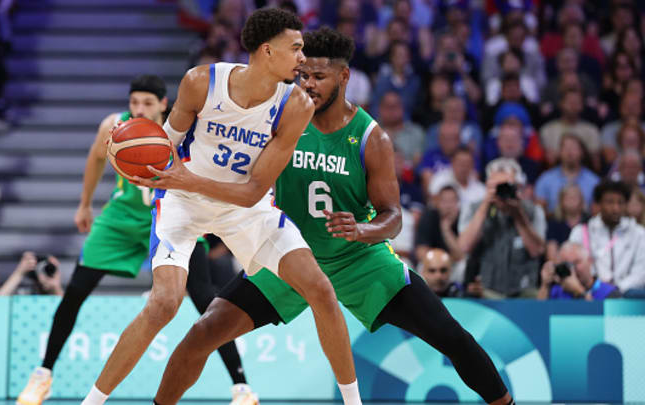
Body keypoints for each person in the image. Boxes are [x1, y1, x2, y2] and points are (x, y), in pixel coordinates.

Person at [147, 26, 513, 405]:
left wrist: (363, 229)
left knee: (451, 335)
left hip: (358, 260)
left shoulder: (371, 138)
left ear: (344, 76)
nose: (308, 85)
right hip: (289, 256)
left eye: (319, 77)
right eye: (304, 75)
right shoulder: (283, 118)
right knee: (201, 334)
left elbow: (394, 218)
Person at [90, 10, 361, 405]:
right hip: (183, 204)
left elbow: (253, 192)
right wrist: (133, 159)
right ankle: (92, 402)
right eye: (297, 48)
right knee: (164, 303)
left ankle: (353, 402)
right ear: (268, 51)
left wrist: (187, 178)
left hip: (244, 208)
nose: (303, 58)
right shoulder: (202, 82)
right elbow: (164, 151)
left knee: (320, 289)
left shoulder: (296, 105)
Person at [17, 75, 254, 405]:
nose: (138, 109)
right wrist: (85, 204)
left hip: (172, 217)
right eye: (134, 102)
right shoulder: (115, 127)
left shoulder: (185, 130)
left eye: (146, 103)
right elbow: (96, 158)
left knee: (204, 296)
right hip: (122, 219)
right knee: (75, 291)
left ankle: (241, 388)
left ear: (163, 104)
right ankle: (42, 375)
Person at [458, 158, 546, 298]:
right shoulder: (474, 209)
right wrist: (485, 205)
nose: (502, 191)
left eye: (508, 185)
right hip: (485, 290)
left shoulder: (533, 211)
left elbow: (537, 251)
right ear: (487, 186)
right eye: (497, 186)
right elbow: (464, 246)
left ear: (519, 186)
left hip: (524, 290)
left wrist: (518, 214)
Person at [569, 180, 645, 294]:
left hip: (626, 298)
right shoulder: (581, 232)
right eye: (610, 202)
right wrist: (597, 288)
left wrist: (615, 290)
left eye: (621, 203)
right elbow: (572, 265)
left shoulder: (639, 234)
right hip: (590, 296)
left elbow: (641, 272)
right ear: (599, 204)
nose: (616, 208)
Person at [534, 134, 599, 215]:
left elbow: (597, 213)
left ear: (582, 152)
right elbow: (539, 211)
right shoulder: (545, 179)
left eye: (574, 148)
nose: (570, 152)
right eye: (566, 148)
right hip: (553, 225)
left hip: (586, 225)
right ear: (559, 152)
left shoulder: (594, 181)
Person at [537, 242, 621, 300]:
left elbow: (601, 321)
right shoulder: (556, 291)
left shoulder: (610, 292)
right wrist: (545, 285)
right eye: (566, 264)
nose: (572, 269)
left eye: (576, 262)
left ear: (589, 261)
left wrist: (579, 291)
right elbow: (538, 316)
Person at [0, 252, 64, 296]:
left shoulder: (62, 295)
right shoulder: (27, 294)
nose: (47, 273)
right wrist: (19, 273)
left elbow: (70, 311)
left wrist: (56, 288)